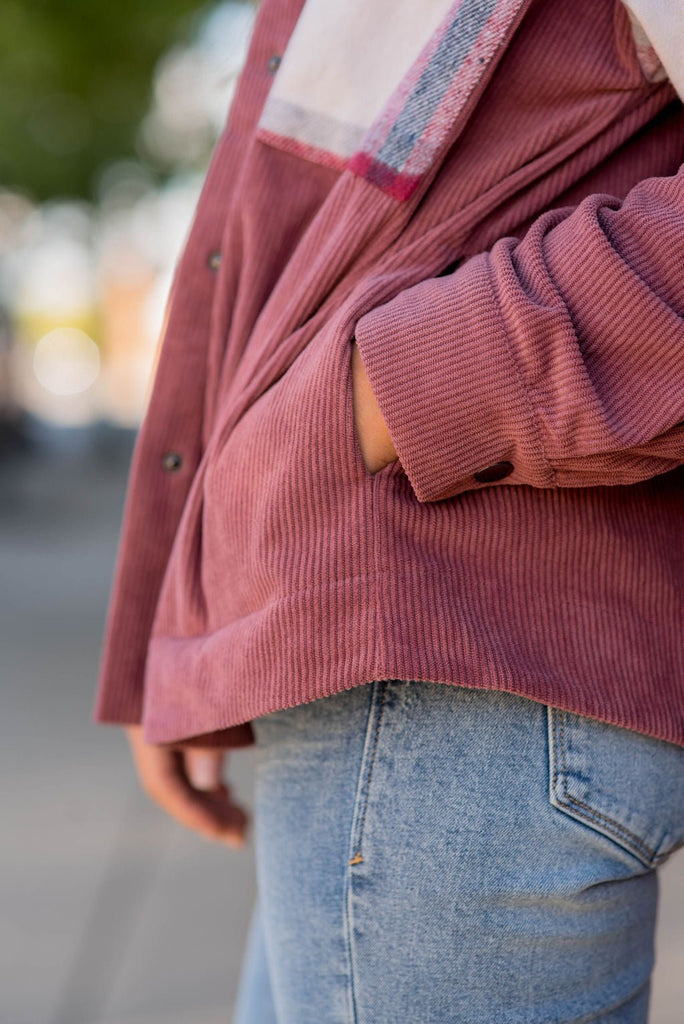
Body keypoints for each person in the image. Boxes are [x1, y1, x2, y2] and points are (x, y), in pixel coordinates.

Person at [94, 0, 684, 1020]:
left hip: (449, 657)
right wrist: (185, 613)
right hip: (387, 658)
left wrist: (406, 388)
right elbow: (277, 244)